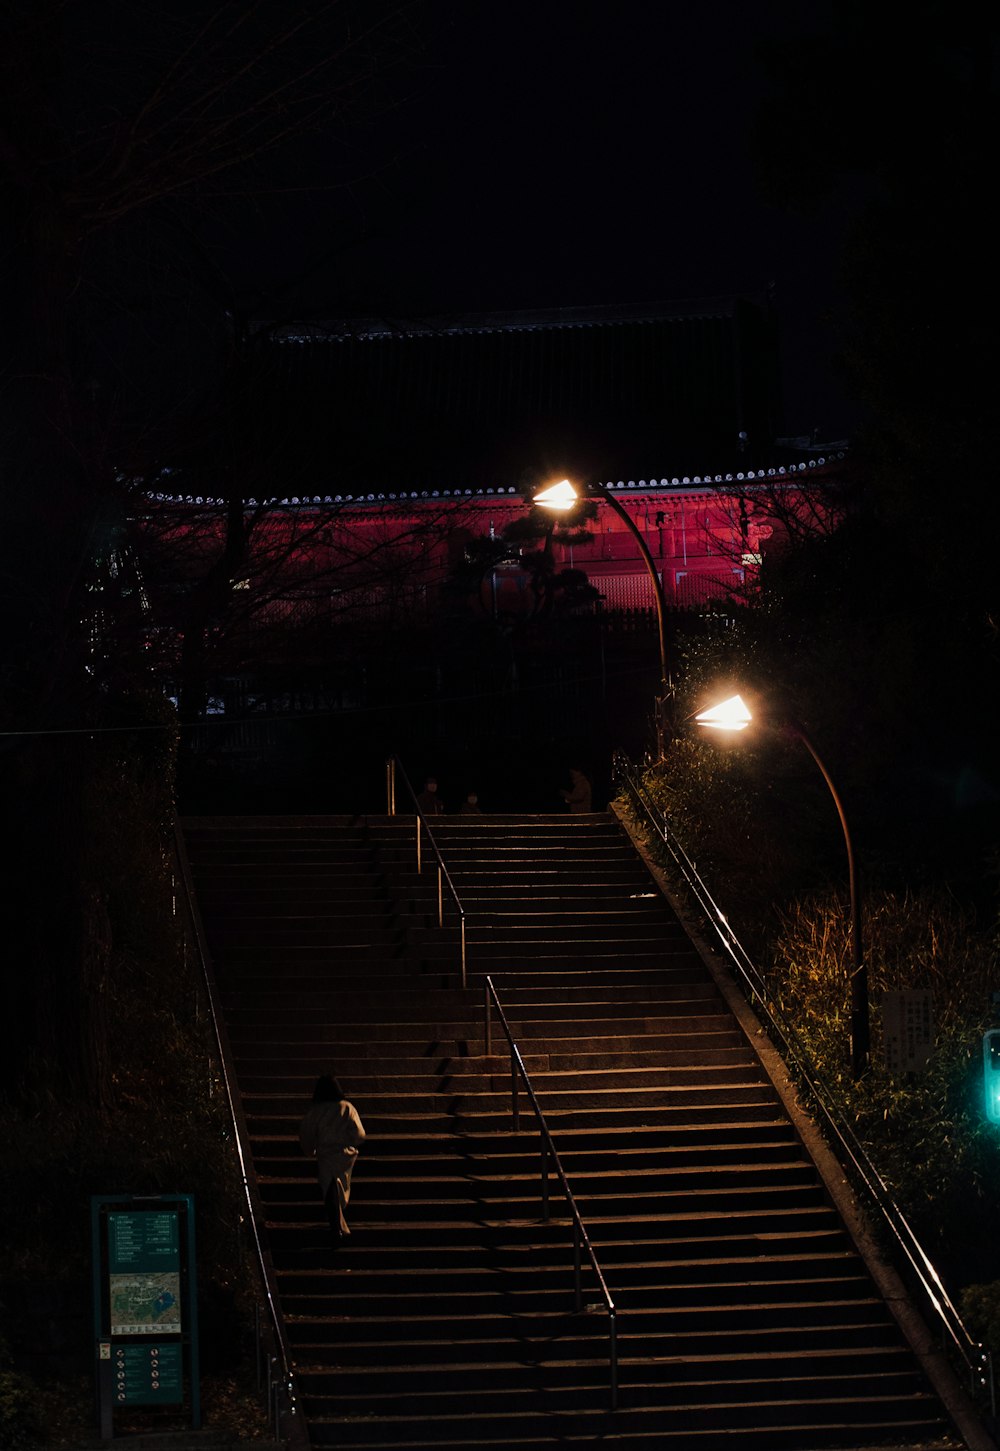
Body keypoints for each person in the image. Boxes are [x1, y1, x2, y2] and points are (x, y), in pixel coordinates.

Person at [299, 1075, 366, 1246]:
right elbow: (359, 1134)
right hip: (343, 1155)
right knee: (340, 1186)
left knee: (329, 1187)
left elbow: (307, 1134)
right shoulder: (347, 1107)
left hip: (325, 1154)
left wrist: (311, 1150)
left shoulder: (315, 1111)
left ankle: (336, 1226)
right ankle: (339, 1226)